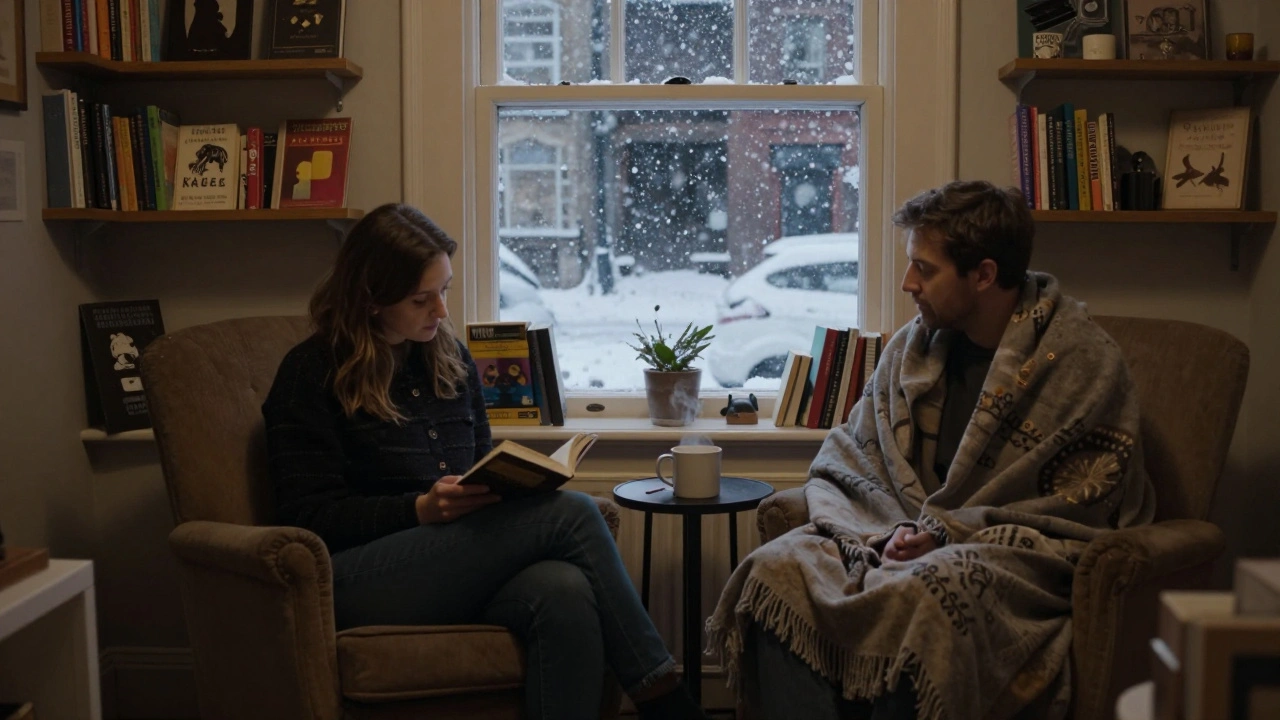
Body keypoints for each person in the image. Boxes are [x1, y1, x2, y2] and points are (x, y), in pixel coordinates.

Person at [707, 181, 1155, 720]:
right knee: (774, 569)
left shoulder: (1083, 363)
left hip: (1012, 554)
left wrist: (942, 535)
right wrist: (891, 531)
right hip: (892, 529)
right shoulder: (913, 348)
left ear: (984, 275)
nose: (907, 283)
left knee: (930, 597)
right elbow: (853, 453)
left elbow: (1081, 502)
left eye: (926, 268)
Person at [262, 203, 707, 720]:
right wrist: (418, 510)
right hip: (357, 578)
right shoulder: (311, 372)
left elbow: (476, 464)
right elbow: (306, 519)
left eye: (444, 290)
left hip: (454, 565)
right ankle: (666, 701)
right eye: (421, 299)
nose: (442, 311)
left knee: (564, 592)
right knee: (575, 513)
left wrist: (509, 487)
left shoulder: (449, 359)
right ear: (370, 297)